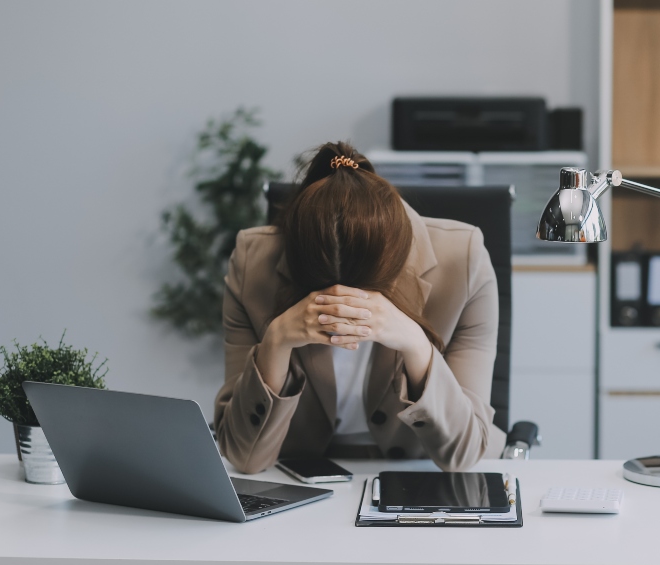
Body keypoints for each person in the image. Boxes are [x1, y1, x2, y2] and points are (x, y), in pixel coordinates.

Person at [214, 142, 506, 473]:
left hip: (420, 473)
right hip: (301, 474)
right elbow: (244, 457)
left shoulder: (464, 259)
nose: (344, 310)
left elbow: (464, 454)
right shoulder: (254, 262)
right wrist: (276, 342)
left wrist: (415, 344)